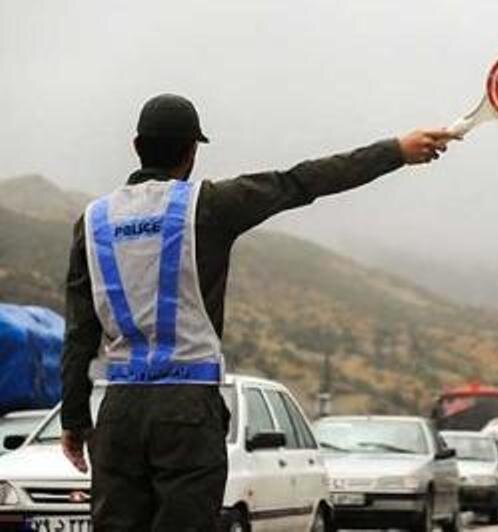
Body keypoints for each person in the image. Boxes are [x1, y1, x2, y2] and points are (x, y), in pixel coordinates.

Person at [59, 93, 459, 531]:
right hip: (186, 412)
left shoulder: (93, 221)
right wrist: (396, 151)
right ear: (192, 152)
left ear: (137, 145)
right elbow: (301, 182)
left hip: (119, 411)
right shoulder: (207, 205)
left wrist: (75, 419)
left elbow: (80, 331)